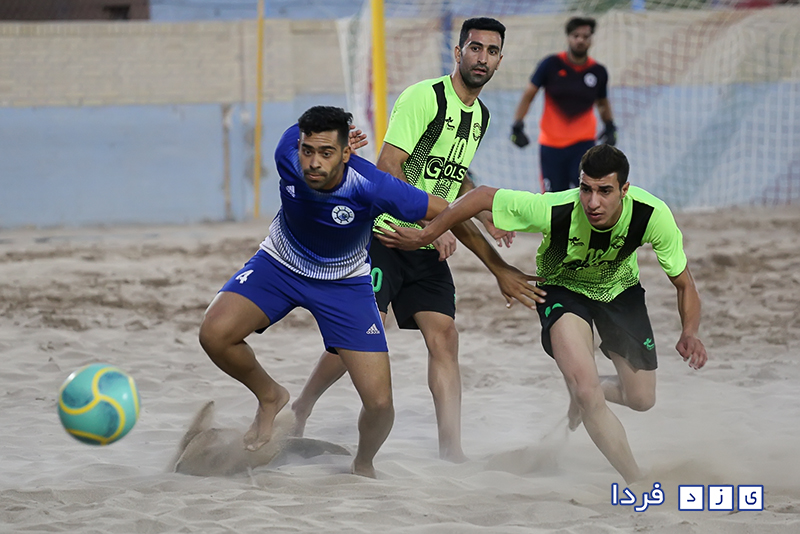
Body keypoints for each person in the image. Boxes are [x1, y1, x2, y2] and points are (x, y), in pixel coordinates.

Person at [376, 144, 708, 483]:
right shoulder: (555, 209)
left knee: (641, 398)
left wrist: (690, 332)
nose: (593, 202)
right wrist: (427, 234)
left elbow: (685, 284)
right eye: (586, 189)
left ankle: (585, 392)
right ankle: (636, 481)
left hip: (620, 293)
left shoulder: (652, 215)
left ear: (624, 190)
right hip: (562, 291)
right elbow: (481, 197)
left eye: (605, 191)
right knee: (586, 392)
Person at [292, 17, 538, 463]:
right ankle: (302, 405)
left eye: (491, 51)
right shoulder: (425, 97)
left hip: (426, 238)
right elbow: (389, 167)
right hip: (385, 233)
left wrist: (479, 210)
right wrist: (435, 223)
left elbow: (453, 172)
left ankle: (451, 452)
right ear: (458, 52)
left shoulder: (480, 116)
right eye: (475, 48)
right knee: (365, 331)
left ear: (500, 60)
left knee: (444, 336)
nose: (482, 58)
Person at [198, 106, 446, 478]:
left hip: (344, 284)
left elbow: (445, 209)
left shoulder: (371, 185)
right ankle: (270, 396)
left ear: (346, 153)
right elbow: (306, 141)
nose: (313, 162)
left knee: (380, 404)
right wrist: (327, 144)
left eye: (326, 153)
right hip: (279, 264)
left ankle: (363, 464)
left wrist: (434, 234)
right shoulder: (286, 152)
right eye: (308, 151)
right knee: (214, 334)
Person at [510, 17, 617, 193]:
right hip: (551, 145)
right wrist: (517, 125)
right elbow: (529, 95)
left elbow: (602, 103)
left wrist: (610, 126)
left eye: (585, 36)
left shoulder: (598, 72)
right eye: (576, 35)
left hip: (584, 145)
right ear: (568, 37)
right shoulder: (550, 64)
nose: (580, 40)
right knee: (552, 200)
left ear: (591, 39)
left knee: (588, 194)